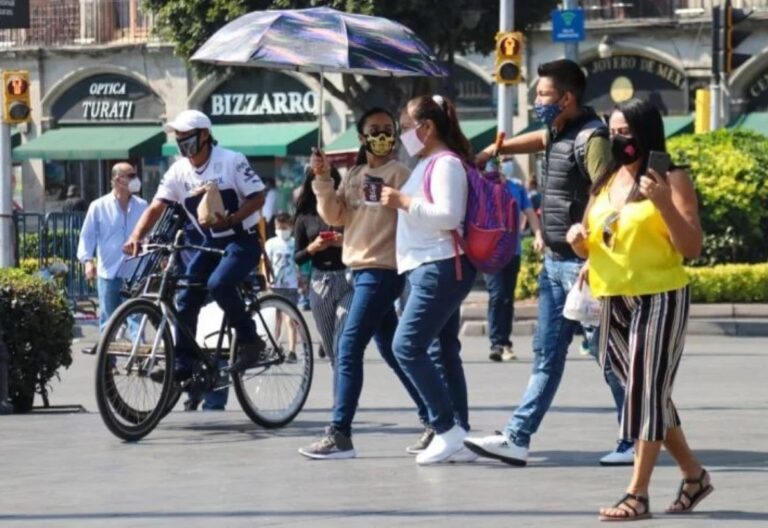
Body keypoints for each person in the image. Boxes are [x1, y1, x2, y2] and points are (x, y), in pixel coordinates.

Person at [464, 59, 624, 466]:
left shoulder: (592, 137)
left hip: (581, 267)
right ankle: (517, 438)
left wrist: (592, 251)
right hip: (555, 265)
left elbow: (608, 196)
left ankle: (636, 437)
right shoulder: (559, 131)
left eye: (543, 95)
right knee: (547, 356)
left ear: (567, 98)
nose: (537, 101)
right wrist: (493, 149)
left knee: (609, 357)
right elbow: (538, 139)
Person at [565, 98, 711, 521]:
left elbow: (692, 247)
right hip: (612, 298)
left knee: (645, 394)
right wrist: (581, 246)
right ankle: (694, 475)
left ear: (646, 133)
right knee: (651, 395)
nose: (617, 139)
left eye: (625, 131)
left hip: (660, 295)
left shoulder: (671, 177)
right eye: (612, 131)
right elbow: (599, 238)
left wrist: (664, 202)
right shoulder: (606, 181)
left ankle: (637, 493)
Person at [298, 108, 432, 460]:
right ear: (362, 137)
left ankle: (340, 433)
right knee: (392, 349)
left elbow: (413, 215)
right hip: (358, 270)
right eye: (375, 130)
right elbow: (335, 216)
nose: (383, 136)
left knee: (348, 347)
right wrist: (324, 178)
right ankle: (435, 418)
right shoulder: (355, 173)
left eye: (388, 130)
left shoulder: (400, 173)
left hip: (382, 271)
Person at [123, 109, 267, 378]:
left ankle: (250, 340)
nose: (181, 142)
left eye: (186, 136)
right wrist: (136, 236)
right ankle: (184, 363)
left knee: (219, 284)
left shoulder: (231, 161)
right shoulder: (178, 170)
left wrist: (233, 218)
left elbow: (257, 196)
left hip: (241, 241)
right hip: (208, 243)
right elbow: (157, 206)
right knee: (186, 295)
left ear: (205, 135)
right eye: (178, 137)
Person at [381, 94, 477, 465]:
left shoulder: (446, 164)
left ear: (427, 127)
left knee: (405, 346)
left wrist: (402, 202)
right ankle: (459, 432)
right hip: (428, 266)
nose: (402, 134)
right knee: (442, 351)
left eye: (405, 127)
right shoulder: (427, 163)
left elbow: (449, 216)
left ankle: (446, 428)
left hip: (439, 267)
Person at [293, 166, 352, 370]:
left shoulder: (344, 210)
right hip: (320, 282)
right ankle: (342, 391)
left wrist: (342, 241)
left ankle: (346, 397)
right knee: (330, 346)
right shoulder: (304, 217)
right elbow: (297, 257)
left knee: (344, 340)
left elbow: (362, 240)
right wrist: (312, 248)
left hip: (348, 278)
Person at [77, 163, 147, 331]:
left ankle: (137, 356)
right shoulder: (99, 206)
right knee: (108, 322)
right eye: (130, 176)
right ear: (118, 179)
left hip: (134, 272)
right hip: (108, 272)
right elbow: (87, 236)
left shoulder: (142, 205)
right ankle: (108, 357)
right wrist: (87, 261)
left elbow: (149, 234)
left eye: (135, 175)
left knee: (136, 320)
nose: (135, 179)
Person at [485, 175, 544, 362]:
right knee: (497, 294)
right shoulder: (483, 184)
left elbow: (530, 213)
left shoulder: (516, 187)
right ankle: (496, 343)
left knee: (507, 297)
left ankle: (505, 343)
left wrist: (538, 235)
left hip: (513, 250)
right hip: (490, 250)